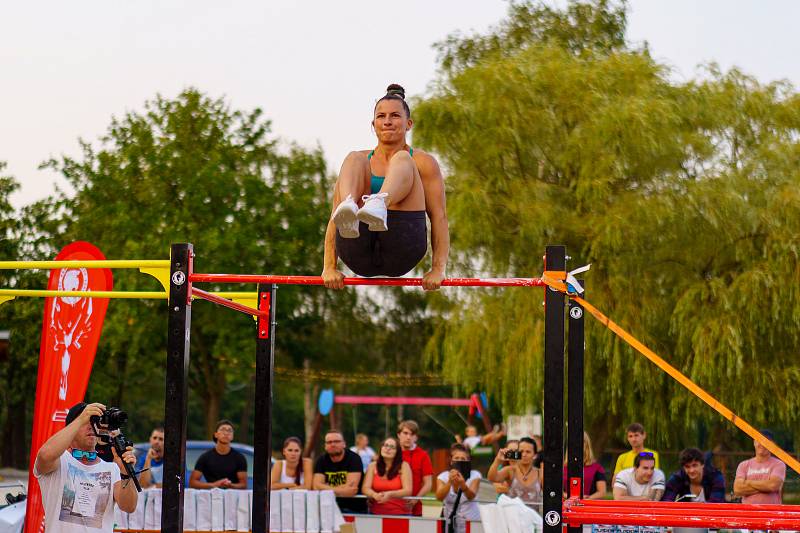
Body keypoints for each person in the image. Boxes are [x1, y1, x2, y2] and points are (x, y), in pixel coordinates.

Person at [322, 83, 449, 291]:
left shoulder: (423, 162)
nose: (387, 122)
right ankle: (355, 207)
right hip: (357, 249)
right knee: (354, 158)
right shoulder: (358, 163)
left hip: (402, 244)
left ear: (408, 124)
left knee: (403, 159)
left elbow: (439, 217)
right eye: (381, 117)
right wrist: (329, 267)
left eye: (395, 116)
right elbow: (333, 216)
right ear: (373, 124)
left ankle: (379, 203)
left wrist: (438, 269)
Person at [34, 401, 138, 532]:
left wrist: (126, 474)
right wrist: (81, 418)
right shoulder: (60, 461)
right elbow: (44, 456)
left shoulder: (111, 468)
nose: (91, 426)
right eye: (85, 422)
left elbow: (129, 506)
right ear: (72, 427)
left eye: (94, 422)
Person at [312, 430, 365, 513]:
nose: (333, 444)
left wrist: (325, 487)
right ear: (325, 446)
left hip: (352, 509)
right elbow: (316, 487)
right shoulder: (321, 460)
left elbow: (351, 491)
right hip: (327, 508)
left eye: (336, 441)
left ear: (344, 444)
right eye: (329, 442)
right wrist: (342, 490)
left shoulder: (354, 459)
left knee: (346, 526)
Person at [436, 444, 482, 533]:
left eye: (463, 459)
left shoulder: (475, 475)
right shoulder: (443, 476)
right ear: (451, 461)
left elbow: (471, 496)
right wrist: (449, 482)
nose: (459, 461)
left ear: (468, 461)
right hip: (450, 523)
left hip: (471, 522)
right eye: (456, 458)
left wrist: (463, 485)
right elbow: (439, 497)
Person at [189, 419, 247, 489]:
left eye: (229, 430)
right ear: (216, 434)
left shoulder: (239, 458)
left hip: (232, 497)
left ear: (232, 436)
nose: (226, 433)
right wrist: (214, 485)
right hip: (211, 496)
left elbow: (243, 485)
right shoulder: (205, 457)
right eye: (222, 429)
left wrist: (230, 485)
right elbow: (192, 483)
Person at [488, 437, 542, 512]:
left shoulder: (540, 473)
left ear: (535, 455)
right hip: (512, 518)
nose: (524, 454)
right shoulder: (510, 470)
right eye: (521, 451)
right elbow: (492, 478)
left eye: (528, 452)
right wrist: (497, 460)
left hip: (532, 520)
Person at [733, 429, 786, 504]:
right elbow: (737, 489)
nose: (762, 444)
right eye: (759, 440)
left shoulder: (779, 464)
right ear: (754, 442)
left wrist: (747, 482)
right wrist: (765, 487)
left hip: (771, 512)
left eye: (766, 442)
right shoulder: (744, 465)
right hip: (748, 513)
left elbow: (773, 485)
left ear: (773, 445)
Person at [362, 437, 412, 515]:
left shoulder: (404, 466)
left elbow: (408, 490)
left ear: (397, 452)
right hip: (375, 513)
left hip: (400, 514)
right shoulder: (372, 466)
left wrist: (390, 494)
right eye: (385, 445)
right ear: (381, 448)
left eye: (392, 447)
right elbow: (365, 488)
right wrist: (374, 495)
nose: (388, 449)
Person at [397, 420, 434, 516]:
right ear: (398, 434)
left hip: (414, 508)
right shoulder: (390, 452)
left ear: (416, 437)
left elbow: (428, 484)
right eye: (405, 433)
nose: (408, 437)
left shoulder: (423, 455)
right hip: (390, 505)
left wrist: (416, 499)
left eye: (412, 434)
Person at [564, 432, 607, 500]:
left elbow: (602, 492)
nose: (577, 445)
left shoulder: (597, 468)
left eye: (581, 442)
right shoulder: (563, 468)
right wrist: (568, 496)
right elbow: (556, 489)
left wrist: (587, 499)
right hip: (566, 507)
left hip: (589, 507)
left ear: (587, 445)